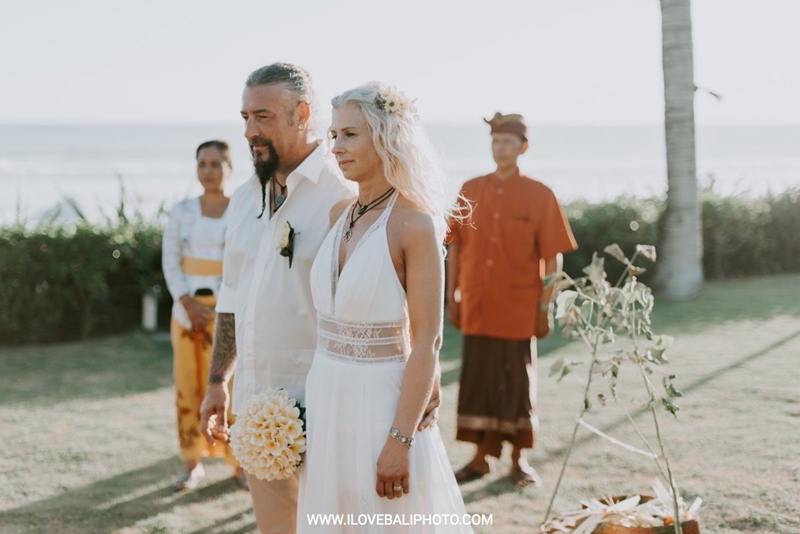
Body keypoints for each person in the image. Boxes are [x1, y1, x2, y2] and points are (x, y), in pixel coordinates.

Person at [199, 64, 441, 534]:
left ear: (302, 114)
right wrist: (217, 381)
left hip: (327, 406)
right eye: (245, 117)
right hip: (257, 407)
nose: (249, 131)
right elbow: (233, 294)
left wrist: (422, 388)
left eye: (263, 117)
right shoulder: (244, 198)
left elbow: (386, 299)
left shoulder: (343, 192)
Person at [296, 83, 472, 533]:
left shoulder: (414, 224)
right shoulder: (338, 214)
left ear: (386, 136)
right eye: (334, 135)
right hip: (326, 392)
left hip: (381, 402)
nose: (336, 147)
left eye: (350, 134)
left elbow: (428, 341)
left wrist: (400, 440)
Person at [447, 112, 577, 488]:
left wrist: (545, 306)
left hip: (520, 309)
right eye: (495, 141)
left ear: (524, 148)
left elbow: (553, 258)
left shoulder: (540, 194)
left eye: (507, 142)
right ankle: (480, 458)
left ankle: (519, 460)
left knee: (517, 383)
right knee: (477, 379)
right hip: (477, 304)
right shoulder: (470, 188)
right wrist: (452, 296)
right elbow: (455, 247)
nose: (499, 148)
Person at [161, 140, 245, 490]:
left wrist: (220, 308)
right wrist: (187, 302)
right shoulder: (181, 211)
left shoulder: (242, 209)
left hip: (229, 314)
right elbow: (170, 259)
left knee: (234, 388)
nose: (208, 171)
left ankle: (239, 464)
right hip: (186, 316)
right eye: (202, 164)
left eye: (215, 164)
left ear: (230, 168)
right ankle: (191, 462)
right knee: (188, 386)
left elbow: (244, 262)